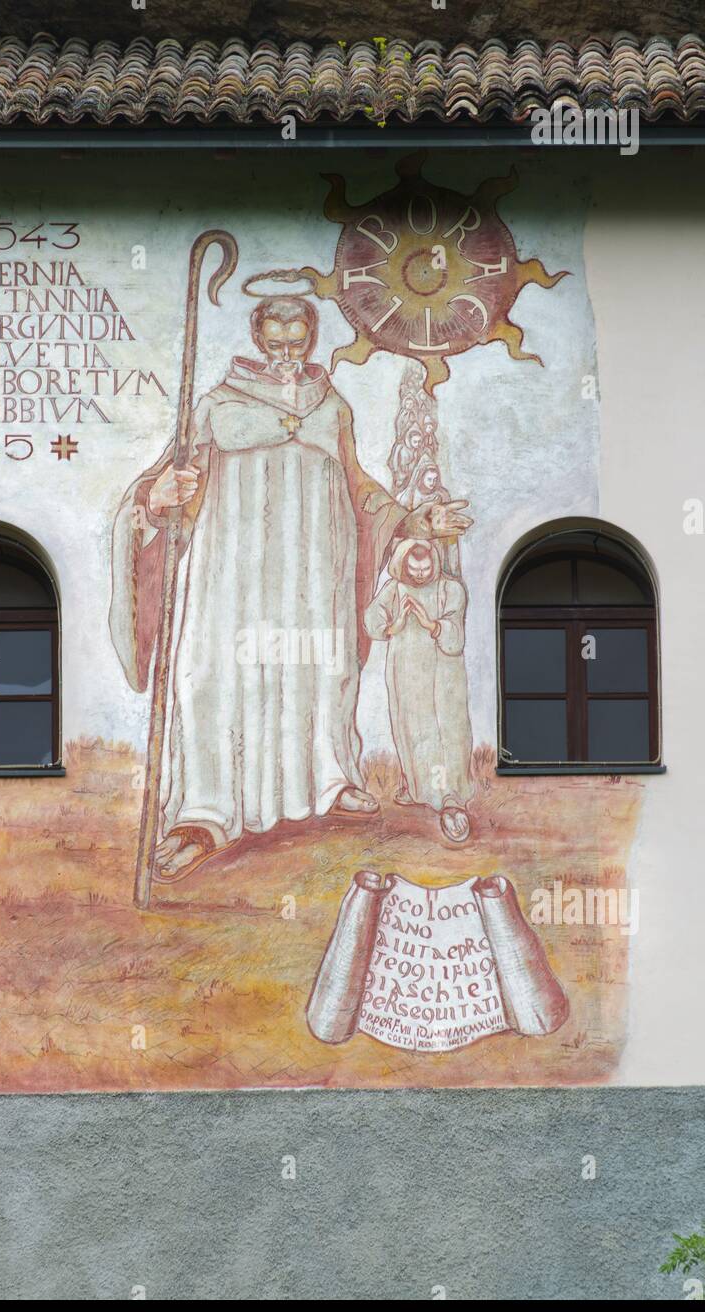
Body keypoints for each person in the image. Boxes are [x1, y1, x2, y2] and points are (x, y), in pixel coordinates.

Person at [109, 295, 472, 881]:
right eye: (274, 342)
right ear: (258, 340)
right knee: (212, 678)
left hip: (316, 567)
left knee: (317, 670)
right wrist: (159, 496)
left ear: (310, 338)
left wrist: (416, 520)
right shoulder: (216, 405)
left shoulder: (331, 405)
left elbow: (360, 489)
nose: (285, 353)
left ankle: (327, 781)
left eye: (296, 342)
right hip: (232, 571)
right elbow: (167, 483)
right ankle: (203, 815)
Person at [364, 539, 474, 843]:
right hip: (406, 673)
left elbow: (455, 639)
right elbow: (372, 620)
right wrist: (394, 625)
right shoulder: (395, 589)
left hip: (443, 676)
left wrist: (431, 623)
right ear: (404, 564)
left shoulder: (450, 589)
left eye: (426, 568)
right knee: (413, 729)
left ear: (435, 563)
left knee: (447, 731)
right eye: (414, 569)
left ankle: (451, 800)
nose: (421, 574)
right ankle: (418, 789)